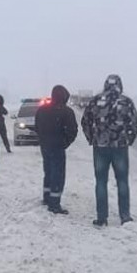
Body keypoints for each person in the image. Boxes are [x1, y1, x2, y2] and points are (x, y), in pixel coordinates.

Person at [81, 74, 137, 227]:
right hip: (120, 147)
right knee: (122, 181)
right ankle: (125, 216)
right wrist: (128, 139)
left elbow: (85, 121)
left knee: (101, 182)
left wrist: (92, 138)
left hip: (100, 147)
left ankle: (102, 218)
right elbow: (134, 123)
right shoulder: (126, 102)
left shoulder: (95, 101)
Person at [35, 85, 78, 214]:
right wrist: (64, 143)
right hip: (57, 147)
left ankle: (47, 198)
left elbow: (37, 127)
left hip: (45, 146)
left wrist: (43, 139)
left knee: (48, 172)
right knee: (57, 175)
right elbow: (73, 130)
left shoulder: (42, 110)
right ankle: (54, 204)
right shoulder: (66, 111)